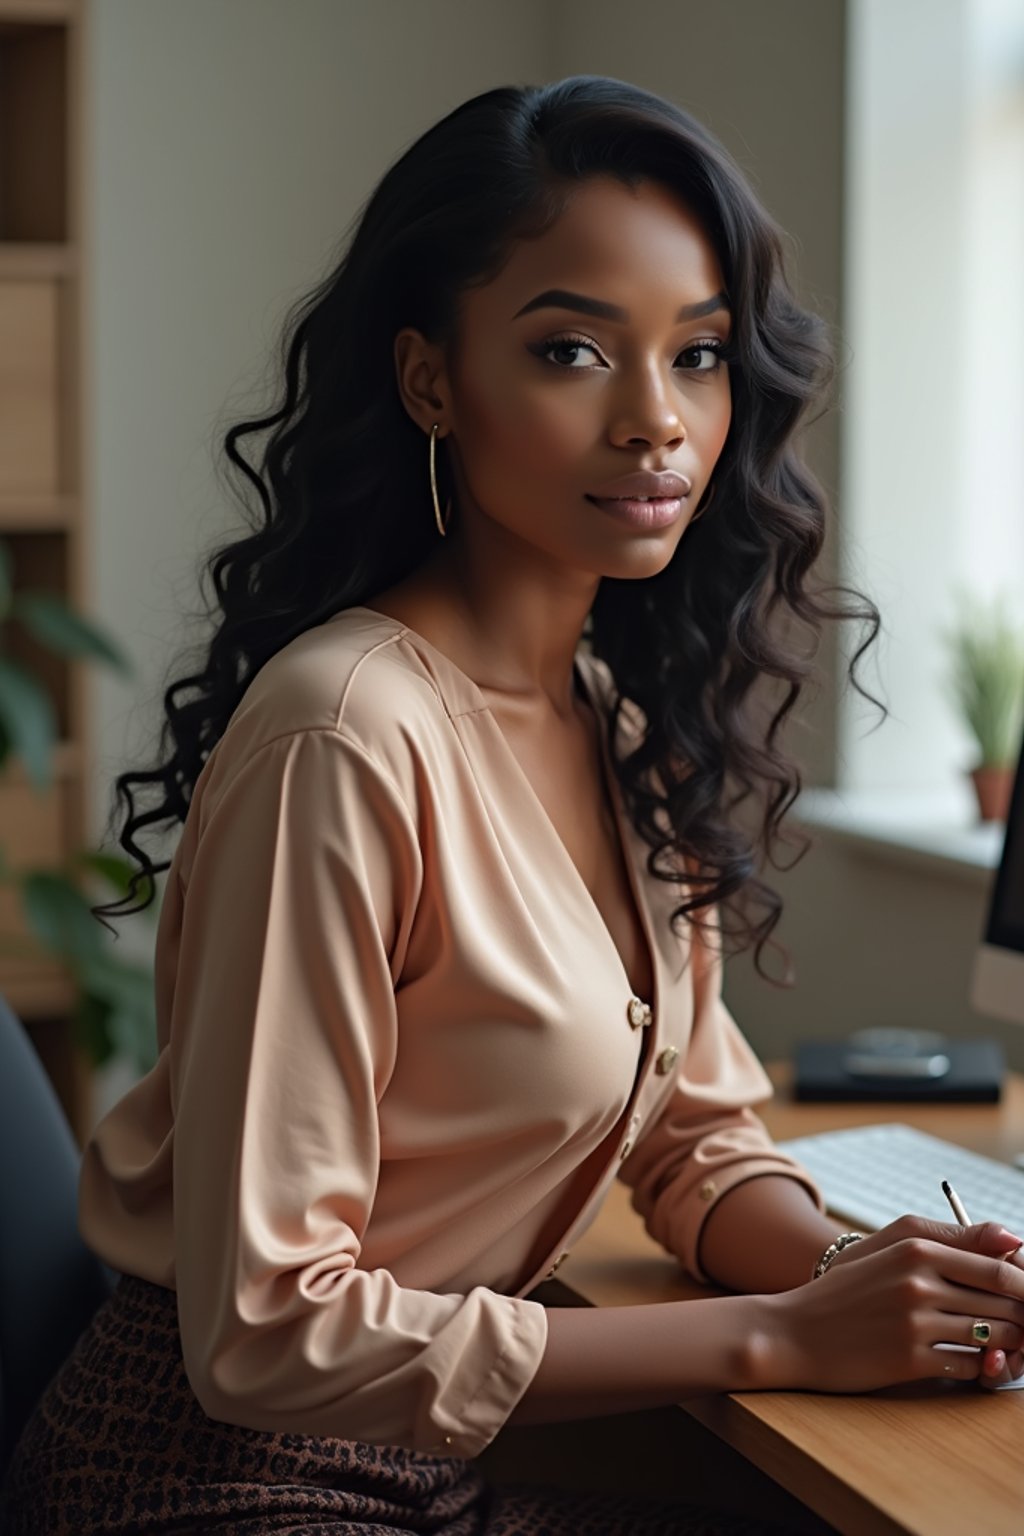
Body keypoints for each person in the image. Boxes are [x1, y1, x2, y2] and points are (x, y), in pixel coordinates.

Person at [4, 74, 1024, 1536]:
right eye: (572, 351)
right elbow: (266, 1332)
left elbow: (693, 1137)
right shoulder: (344, 736)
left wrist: (866, 1284)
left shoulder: (609, 722)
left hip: (441, 1454)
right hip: (207, 1480)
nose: (656, 424)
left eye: (700, 356)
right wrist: (783, 1339)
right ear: (432, 381)